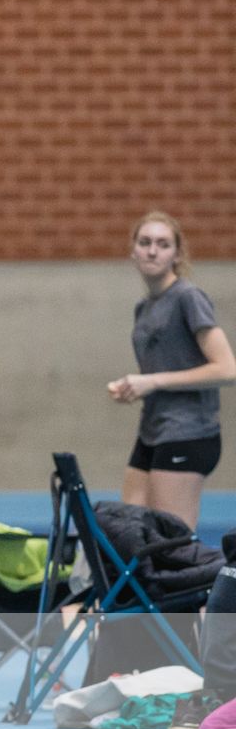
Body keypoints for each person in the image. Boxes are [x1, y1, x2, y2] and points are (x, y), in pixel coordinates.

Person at [108, 210, 236, 532]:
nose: (153, 250)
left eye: (163, 244)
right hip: (153, 430)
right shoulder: (145, 306)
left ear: (177, 254)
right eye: (145, 242)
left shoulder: (188, 298)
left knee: (171, 541)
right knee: (126, 530)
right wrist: (134, 387)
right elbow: (163, 370)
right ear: (133, 250)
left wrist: (152, 381)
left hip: (189, 433)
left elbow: (227, 369)